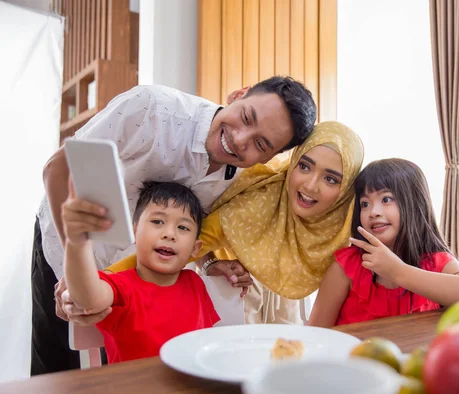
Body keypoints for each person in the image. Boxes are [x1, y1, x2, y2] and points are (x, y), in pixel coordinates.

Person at [33, 76, 316, 374]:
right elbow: (58, 169)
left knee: (116, 376)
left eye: (260, 144)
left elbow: (193, 218)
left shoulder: (240, 177)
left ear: (270, 156)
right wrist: (72, 268)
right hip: (65, 246)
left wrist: (208, 263)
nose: (240, 139)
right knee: (54, 373)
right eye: (246, 117)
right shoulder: (152, 109)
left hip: (131, 280)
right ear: (238, 94)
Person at [103, 121, 365, 324]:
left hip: (289, 303)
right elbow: (181, 245)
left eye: (331, 179)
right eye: (304, 166)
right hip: (235, 290)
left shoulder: (349, 223)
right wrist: (102, 280)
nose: (310, 185)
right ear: (293, 161)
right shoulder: (258, 203)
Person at [307, 158, 459, 328]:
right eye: (365, 204)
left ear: (413, 203)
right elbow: (315, 335)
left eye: (386, 199)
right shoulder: (346, 267)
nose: (373, 212)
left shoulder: (435, 262)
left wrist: (397, 271)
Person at [63, 180, 218, 363]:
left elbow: (207, 344)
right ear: (134, 231)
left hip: (190, 389)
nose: (169, 234)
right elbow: (87, 299)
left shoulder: (194, 282)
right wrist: (76, 243)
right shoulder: (119, 287)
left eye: (183, 227)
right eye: (157, 221)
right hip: (135, 391)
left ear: (195, 248)